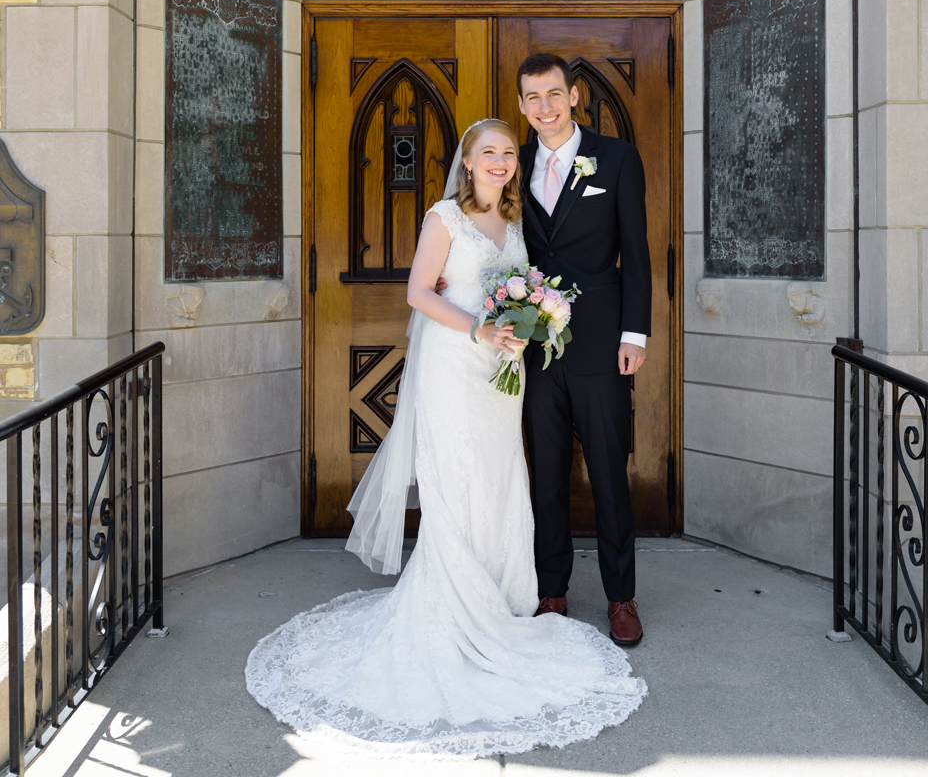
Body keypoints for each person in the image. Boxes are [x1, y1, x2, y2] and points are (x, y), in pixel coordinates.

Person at [245, 119, 645, 759]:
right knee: (456, 477)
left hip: (500, 375)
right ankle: (454, 601)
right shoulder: (444, 219)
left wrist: (529, 323)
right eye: (488, 152)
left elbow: (523, 293)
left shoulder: (515, 228)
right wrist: (479, 331)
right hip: (453, 368)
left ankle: (504, 592)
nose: (500, 161)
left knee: (498, 476)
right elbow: (417, 292)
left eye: (509, 153)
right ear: (466, 162)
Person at [516, 53, 652, 646]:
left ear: (573, 96)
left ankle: (621, 597)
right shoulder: (510, 164)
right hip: (533, 345)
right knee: (545, 473)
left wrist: (635, 334)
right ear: (521, 106)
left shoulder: (616, 159)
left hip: (601, 341)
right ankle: (552, 590)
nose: (543, 108)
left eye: (553, 95)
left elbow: (637, 252)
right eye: (532, 99)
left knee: (607, 473)